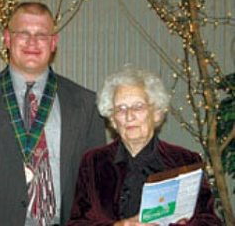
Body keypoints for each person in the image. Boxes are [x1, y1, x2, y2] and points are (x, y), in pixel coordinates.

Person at [0, 2, 106, 226]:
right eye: (23, 33)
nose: (32, 42)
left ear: (53, 43)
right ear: (7, 39)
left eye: (41, 35)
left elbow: (96, 184)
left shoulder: (85, 103)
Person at [68, 65, 222, 226]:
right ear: (113, 119)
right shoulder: (93, 162)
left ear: (156, 113)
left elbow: (210, 221)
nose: (129, 116)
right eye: (121, 109)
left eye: (138, 106)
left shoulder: (185, 160)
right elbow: (77, 222)